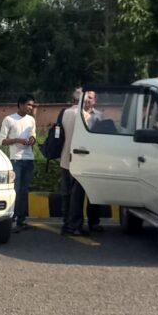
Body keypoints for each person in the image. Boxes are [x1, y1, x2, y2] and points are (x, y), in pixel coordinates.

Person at [64, 86, 104, 234]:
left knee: (94, 193)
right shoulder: (73, 114)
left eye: (90, 99)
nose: (87, 101)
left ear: (95, 101)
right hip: (78, 159)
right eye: (86, 98)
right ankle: (73, 225)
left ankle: (94, 222)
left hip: (94, 160)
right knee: (76, 195)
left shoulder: (98, 116)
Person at [0, 94, 37, 231]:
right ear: (20, 104)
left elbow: (33, 136)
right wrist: (16, 140)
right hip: (16, 160)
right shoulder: (9, 119)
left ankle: (22, 219)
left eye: (32, 105)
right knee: (16, 190)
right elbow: (1, 141)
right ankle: (12, 219)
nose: (30, 107)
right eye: (28, 104)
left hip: (29, 159)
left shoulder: (31, 120)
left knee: (24, 191)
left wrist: (32, 140)